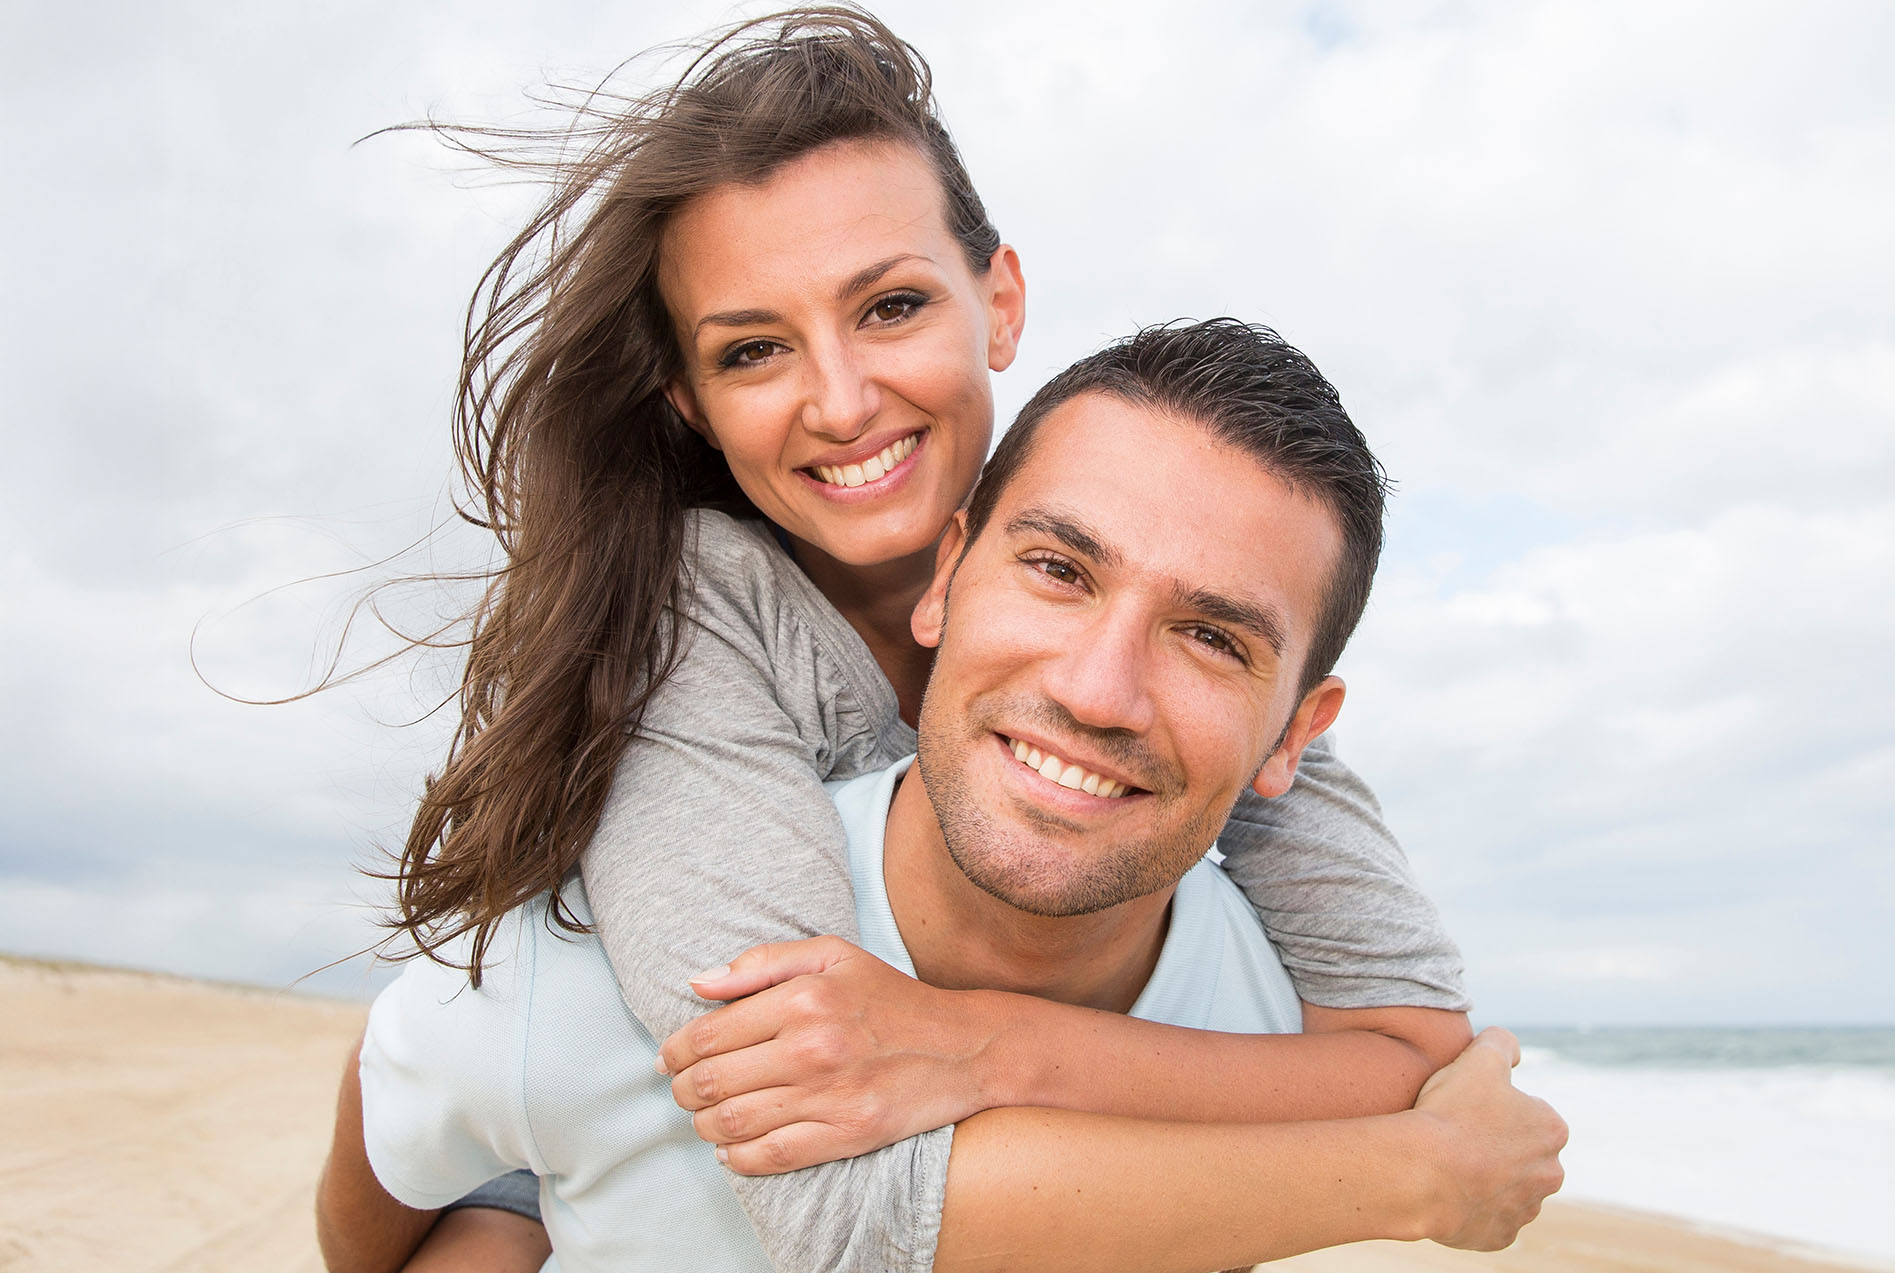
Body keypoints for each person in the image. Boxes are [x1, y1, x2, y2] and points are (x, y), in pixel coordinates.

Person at [320, 9, 1480, 1271]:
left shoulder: (1162, 640)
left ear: (1000, 302)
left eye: (889, 307)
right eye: (754, 349)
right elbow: (820, 1164)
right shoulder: (684, 617)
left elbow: (1413, 1045)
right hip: (611, 1120)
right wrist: (1405, 1177)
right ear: (690, 404)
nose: (840, 399)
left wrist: (981, 1041)